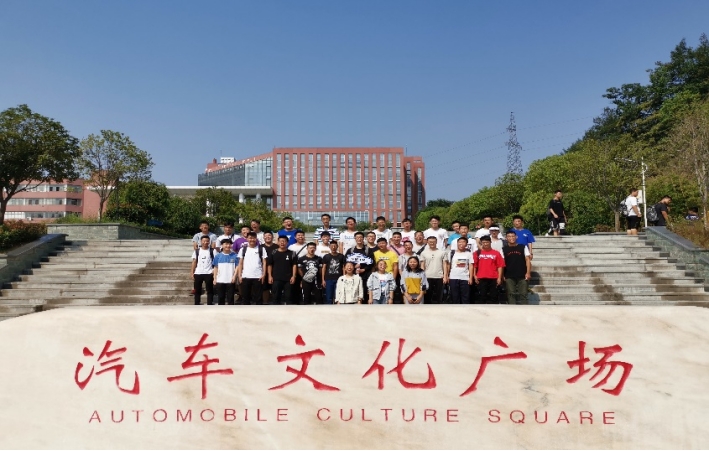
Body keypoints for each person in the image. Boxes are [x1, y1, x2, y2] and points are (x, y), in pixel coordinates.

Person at [237, 232, 268, 305]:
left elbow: (264, 263)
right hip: (245, 276)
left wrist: (263, 274)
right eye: (250, 238)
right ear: (247, 239)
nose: (252, 240)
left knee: (258, 298)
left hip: (258, 276)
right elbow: (240, 263)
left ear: (256, 239)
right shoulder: (243, 249)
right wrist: (239, 275)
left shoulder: (261, 249)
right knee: (245, 298)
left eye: (254, 238)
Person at [473, 236, 506, 305]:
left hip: (493, 277)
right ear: (481, 243)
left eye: (487, 242)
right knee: (482, 296)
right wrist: (474, 275)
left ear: (490, 242)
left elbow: (500, 266)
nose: (485, 244)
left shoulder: (496, 253)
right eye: (483, 242)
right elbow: (474, 265)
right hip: (481, 277)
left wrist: (499, 277)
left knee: (493, 297)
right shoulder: (477, 253)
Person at [503, 231, 532, 305]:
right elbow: (502, 263)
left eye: (513, 236)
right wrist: (502, 275)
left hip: (522, 274)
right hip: (509, 275)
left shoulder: (523, 247)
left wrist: (528, 273)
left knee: (523, 294)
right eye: (509, 236)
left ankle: (525, 309)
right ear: (506, 238)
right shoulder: (503, 249)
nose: (511, 238)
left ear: (516, 237)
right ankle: (512, 310)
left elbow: (528, 260)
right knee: (511, 294)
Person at [345, 232, 375, 303]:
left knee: (365, 293)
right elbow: (346, 262)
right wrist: (353, 267)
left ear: (363, 238)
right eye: (357, 237)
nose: (359, 239)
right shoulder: (350, 250)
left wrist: (364, 269)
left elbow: (372, 262)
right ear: (355, 239)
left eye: (361, 237)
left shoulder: (368, 250)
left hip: (365, 276)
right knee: (353, 292)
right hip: (353, 275)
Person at [267, 236, 296, 305]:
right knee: (276, 298)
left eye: (284, 241)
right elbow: (269, 265)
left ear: (287, 243)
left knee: (289, 298)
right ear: (278, 242)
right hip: (276, 278)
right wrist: (270, 276)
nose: (282, 243)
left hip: (288, 279)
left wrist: (293, 276)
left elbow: (294, 265)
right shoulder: (273, 252)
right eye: (280, 241)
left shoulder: (292, 253)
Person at [446, 237, 474, 304]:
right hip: (453, 277)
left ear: (466, 244)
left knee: (465, 298)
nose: (461, 243)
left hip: (465, 278)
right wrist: (447, 275)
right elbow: (448, 265)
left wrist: (470, 278)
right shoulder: (451, 253)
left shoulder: (469, 254)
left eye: (463, 242)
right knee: (455, 297)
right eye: (460, 242)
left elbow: (471, 266)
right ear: (457, 243)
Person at [420, 236, 447, 304]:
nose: (432, 243)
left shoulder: (442, 252)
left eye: (433, 242)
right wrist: (422, 277)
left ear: (436, 242)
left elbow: (445, 265)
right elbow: (422, 266)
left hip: (439, 276)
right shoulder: (424, 253)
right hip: (427, 276)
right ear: (427, 242)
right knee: (427, 297)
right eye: (430, 242)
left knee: (439, 297)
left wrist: (445, 276)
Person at [212, 239, 239, 305]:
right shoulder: (218, 256)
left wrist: (234, 277)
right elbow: (216, 268)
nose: (228, 246)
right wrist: (215, 278)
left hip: (230, 280)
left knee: (230, 298)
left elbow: (237, 267)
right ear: (222, 245)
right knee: (221, 298)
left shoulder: (235, 256)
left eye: (229, 244)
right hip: (220, 280)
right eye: (226, 244)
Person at [191, 235, 215, 305]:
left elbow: (215, 262)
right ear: (200, 242)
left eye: (207, 241)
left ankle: (210, 303)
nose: (205, 242)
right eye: (204, 241)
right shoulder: (197, 251)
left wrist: (214, 271)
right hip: (198, 273)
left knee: (210, 290)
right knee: (197, 290)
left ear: (209, 242)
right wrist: (192, 272)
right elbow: (194, 262)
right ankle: (197, 303)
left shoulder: (212, 251)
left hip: (209, 273)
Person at [322, 240, 346, 305]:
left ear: (337, 247)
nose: (333, 247)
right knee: (329, 297)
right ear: (329, 247)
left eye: (335, 246)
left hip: (339, 279)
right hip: (328, 279)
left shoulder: (341, 256)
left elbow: (343, 268)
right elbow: (324, 268)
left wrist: (344, 277)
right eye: (332, 246)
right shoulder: (326, 256)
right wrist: (323, 280)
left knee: (337, 297)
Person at [261, 231, 278, 304]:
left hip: (275, 270)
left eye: (269, 235)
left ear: (272, 237)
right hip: (263, 270)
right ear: (263, 237)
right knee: (265, 288)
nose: (267, 237)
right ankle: (265, 302)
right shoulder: (260, 247)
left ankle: (274, 302)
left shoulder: (277, 247)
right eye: (266, 236)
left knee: (275, 287)